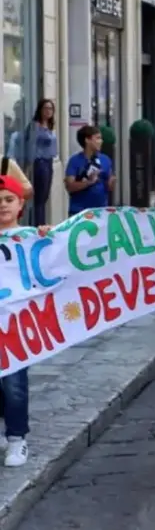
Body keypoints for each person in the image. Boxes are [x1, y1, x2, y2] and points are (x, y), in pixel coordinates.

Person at [0, 174, 44, 466]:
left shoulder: (30, 237)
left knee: (14, 382)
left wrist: (48, 235)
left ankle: (17, 439)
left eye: (8, 200)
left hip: (16, 325)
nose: (2, 205)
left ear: (20, 205)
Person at [65, 125, 115, 216]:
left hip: (101, 212)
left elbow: (109, 186)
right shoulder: (74, 161)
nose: (101, 141)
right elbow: (70, 187)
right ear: (87, 140)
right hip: (79, 212)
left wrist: (111, 182)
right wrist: (89, 182)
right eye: (98, 138)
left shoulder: (105, 159)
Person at [23, 98, 57, 226]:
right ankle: (39, 225)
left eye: (51, 109)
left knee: (45, 196)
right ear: (40, 110)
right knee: (40, 198)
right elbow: (30, 145)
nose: (49, 111)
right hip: (40, 162)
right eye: (46, 108)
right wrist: (27, 166)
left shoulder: (49, 126)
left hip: (49, 162)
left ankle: (41, 223)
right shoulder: (35, 126)